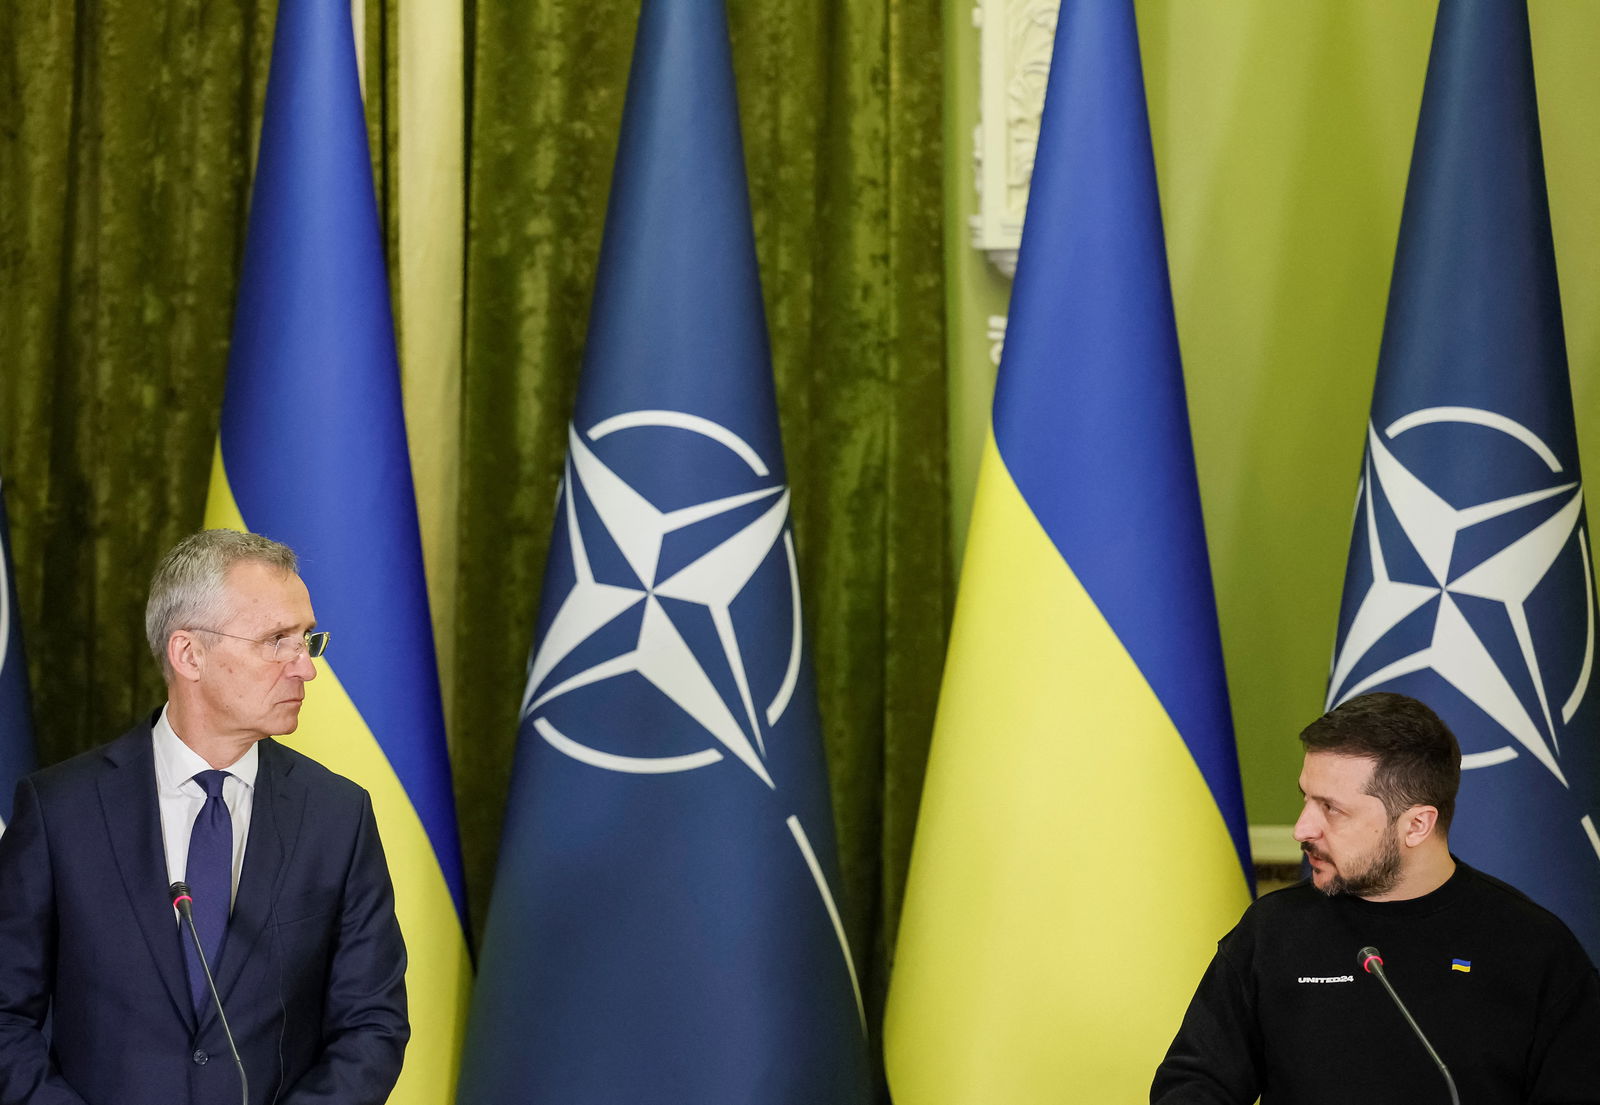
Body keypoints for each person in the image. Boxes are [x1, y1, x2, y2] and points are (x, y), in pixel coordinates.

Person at [0, 529, 408, 1105]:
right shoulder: (60, 810)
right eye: (276, 641)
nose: (306, 669)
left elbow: (372, 1024)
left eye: (306, 640)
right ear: (189, 653)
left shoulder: (338, 815)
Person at [1151, 692, 1600, 1104]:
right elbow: (1193, 1085)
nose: (1302, 829)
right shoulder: (1272, 931)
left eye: (1332, 808)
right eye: (1305, 799)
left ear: (1416, 825)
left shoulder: (1534, 949)